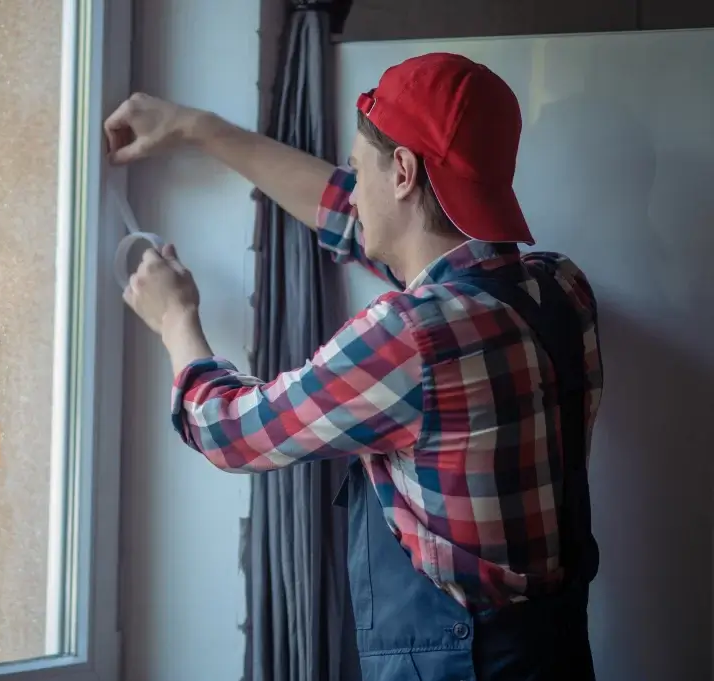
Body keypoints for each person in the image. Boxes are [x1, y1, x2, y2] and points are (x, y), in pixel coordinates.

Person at [104, 53, 602, 681]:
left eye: (356, 166)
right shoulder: (559, 287)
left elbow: (229, 431)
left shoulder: (409, 337)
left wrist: (177, 321)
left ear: (402, 172)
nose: (349, 185)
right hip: (555, 655)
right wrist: (196, 127)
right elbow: (355, 214)